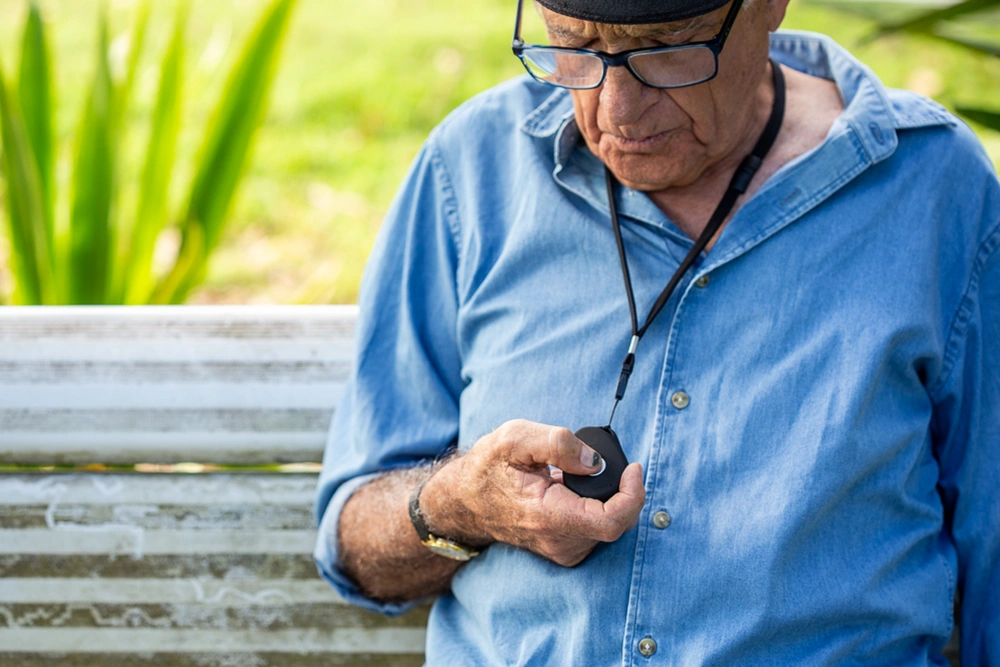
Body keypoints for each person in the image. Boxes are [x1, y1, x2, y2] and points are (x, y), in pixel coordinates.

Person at [314, 0, 1000, 663]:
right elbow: (352, 541)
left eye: (667, 51)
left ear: (768, 5)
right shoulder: (469, 171)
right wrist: (463, 504)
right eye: (575, 46)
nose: (616, 111)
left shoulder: (934, 189)